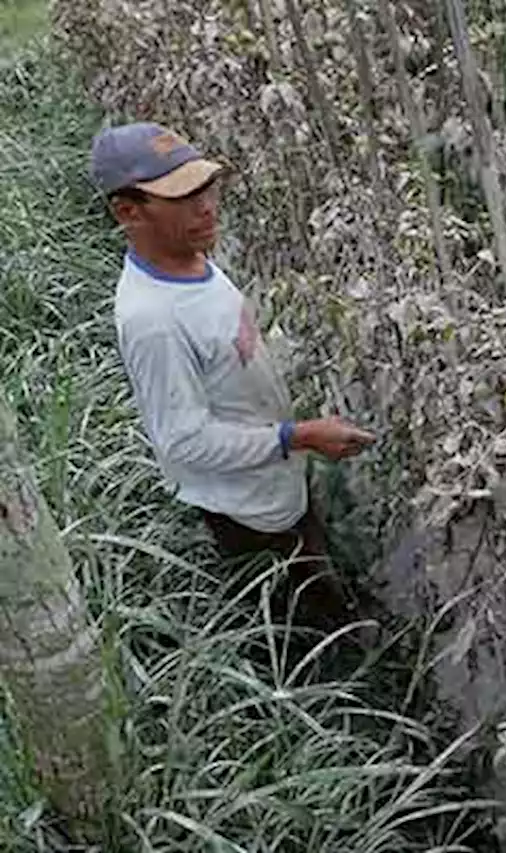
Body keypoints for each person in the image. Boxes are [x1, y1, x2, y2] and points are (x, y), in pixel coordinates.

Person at [90, 122, 376, 629]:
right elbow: (183, 442)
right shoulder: (153, 321)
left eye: (205, 188)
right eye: (180, 197)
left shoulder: (190, 256)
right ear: (127, 211)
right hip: (247, 511)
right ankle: (334, 666)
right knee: (298, 614)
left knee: (311, 553)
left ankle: (336, 607)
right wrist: (299, 436)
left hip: (274, 477)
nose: (205, 207)